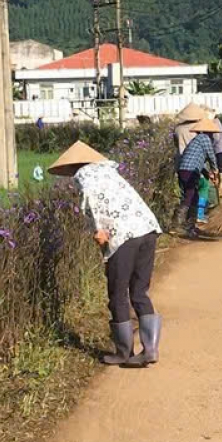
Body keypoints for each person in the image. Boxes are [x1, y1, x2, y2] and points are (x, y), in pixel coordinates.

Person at [49, 141, 162, 368]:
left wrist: (99, 230)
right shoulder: (110, 172)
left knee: (118, 293)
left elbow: (91, 202)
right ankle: (150, 349)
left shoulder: (84, 175)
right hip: (147, 229)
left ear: (73, 166)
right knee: (139, 291)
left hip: (123, 236)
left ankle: (123, 352)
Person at [176, 117, 220, 239]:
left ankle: (190, 226)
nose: (213, 136)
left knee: (192, 197)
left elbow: (198, 161)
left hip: (184, 170)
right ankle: (179, 226)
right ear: (208, 132)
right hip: (189, 171)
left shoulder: (197, 140)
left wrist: (207, 174)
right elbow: (211, 156)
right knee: (190, 197)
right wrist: (215, 171)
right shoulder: (204, 139)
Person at [207, 109, 222, 188]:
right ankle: (220, 183)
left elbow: (216, 137)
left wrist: (210, 145)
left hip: (219, 147)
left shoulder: (215, 123)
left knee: (220, 165)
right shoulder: (217, 122)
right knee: (218, 165)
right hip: (220, 147)